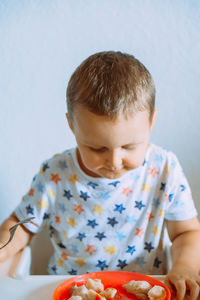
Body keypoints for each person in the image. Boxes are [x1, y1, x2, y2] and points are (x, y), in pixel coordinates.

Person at [0, 51, 200, 299]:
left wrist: (185, 266)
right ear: (72, 125)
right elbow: (20, 226)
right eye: (97, 148)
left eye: (129, 147)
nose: (114, 162)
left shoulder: (164, 168)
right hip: (71, 291)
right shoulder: (55, 173)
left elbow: (187, 232)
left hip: (142, 293)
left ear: (151, 122)